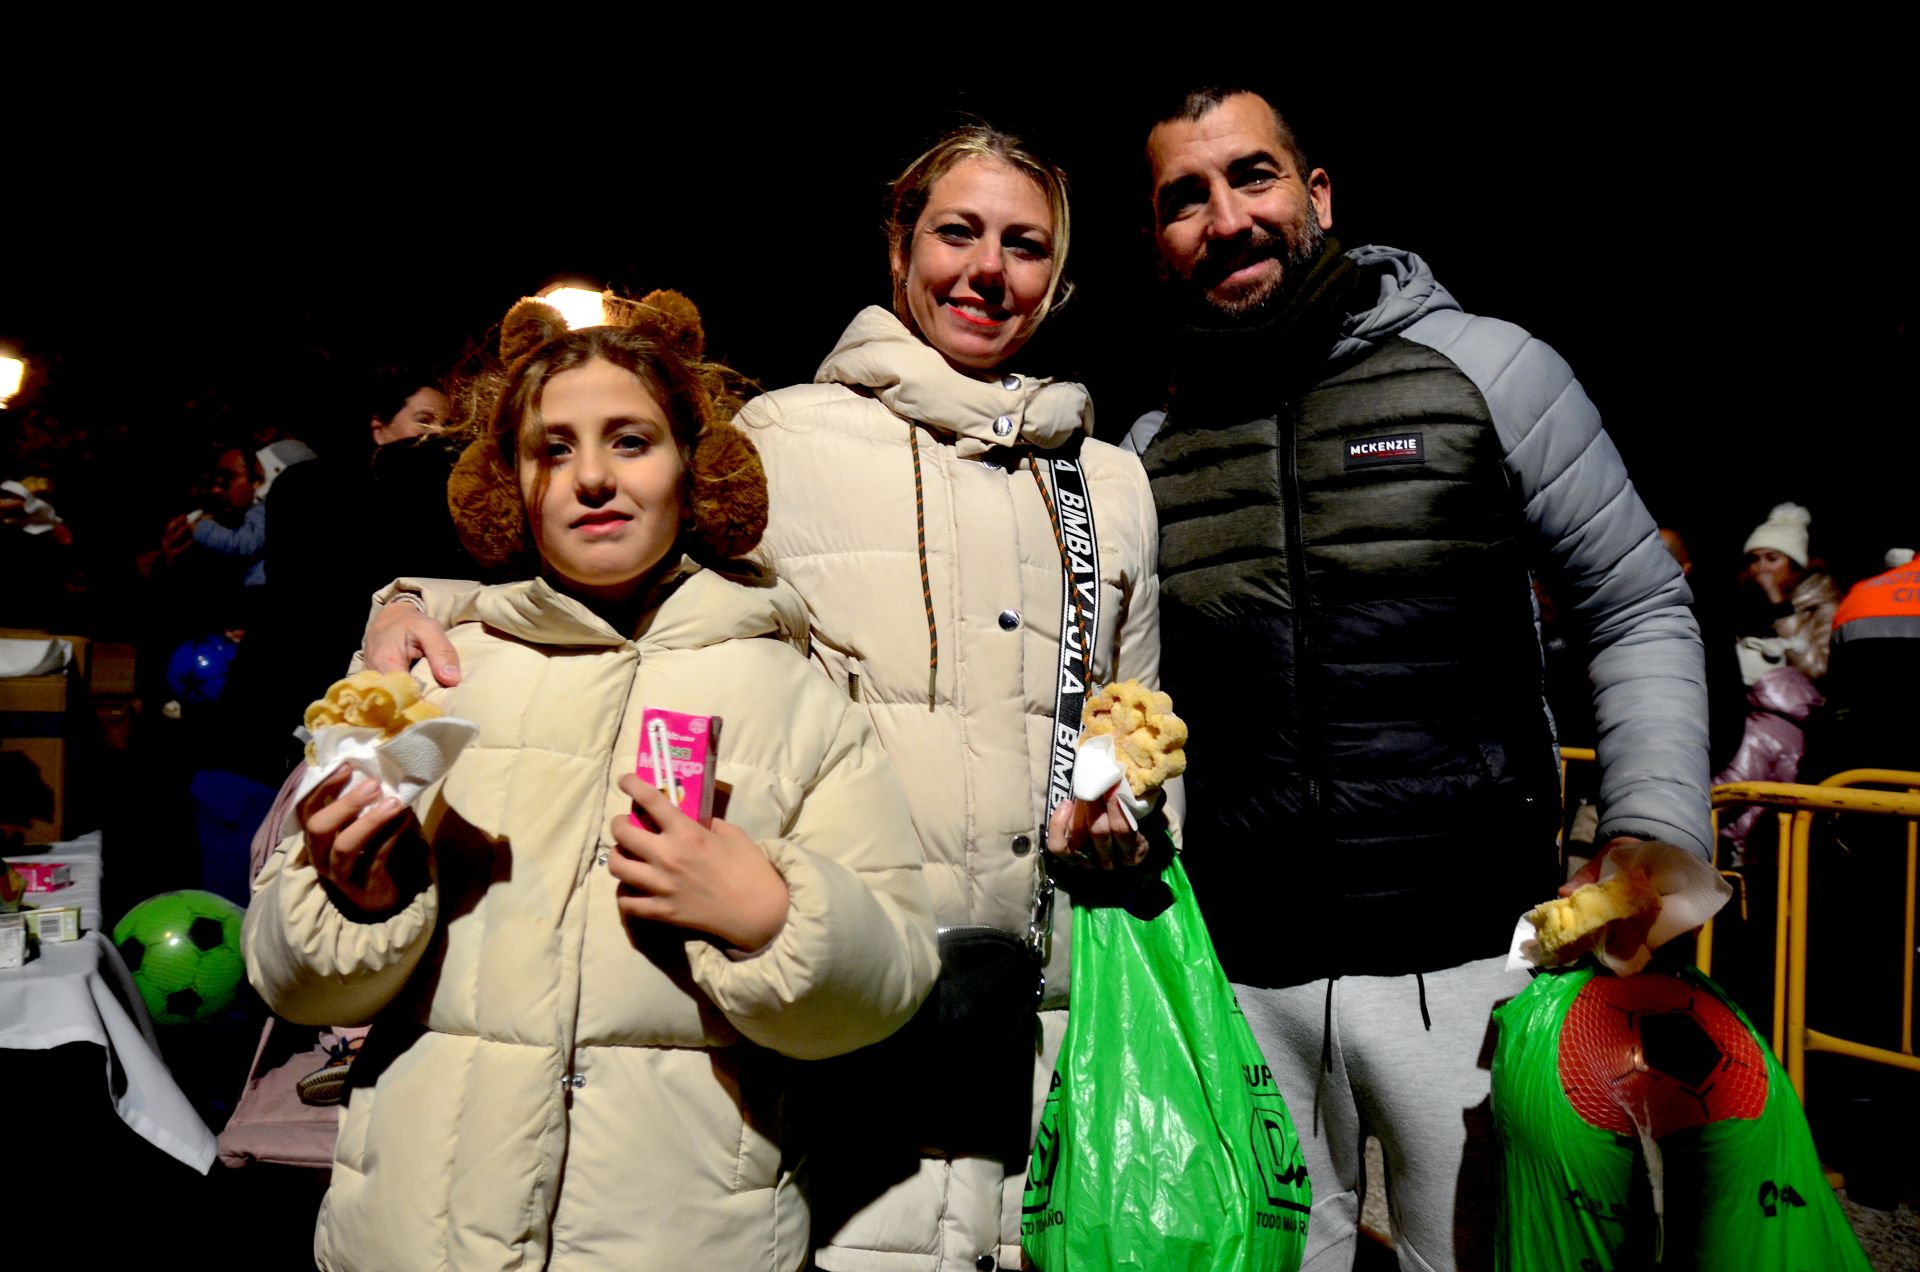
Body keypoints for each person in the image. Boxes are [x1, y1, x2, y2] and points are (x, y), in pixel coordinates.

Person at [364, 125, 1169, 1272]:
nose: (987, 270)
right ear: (899, 249)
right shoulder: (782, 440)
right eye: (957, 232)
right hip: (822, 1015)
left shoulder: (1113, 486)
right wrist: (411, 607)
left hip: (1053, 1033)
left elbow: (1139, 723)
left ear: (1063, 278)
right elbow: (599, 590)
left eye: (1025, 244)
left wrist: (1130, 816)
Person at [1124, 87, 1710, 1272]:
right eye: (1186, 196)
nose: (1226, 217)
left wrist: (1651, 824)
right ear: (1158, 241)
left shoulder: (1490, 368)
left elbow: (1637, 604)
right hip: (1240, 983)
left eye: (1254, 177)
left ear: (1318, 195)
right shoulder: (1148, 452)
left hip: (1476, 967)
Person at [243, 298, 939, 1270]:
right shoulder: (432, 677)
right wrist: (352, 901)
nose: (595, 477)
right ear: (511, 482)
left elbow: (894, 975)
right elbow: (288, 977)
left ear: (694, 466)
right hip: (422, 1238)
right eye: (553, 449)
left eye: (631, 440)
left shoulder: (792, 692)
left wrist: (777, 917)